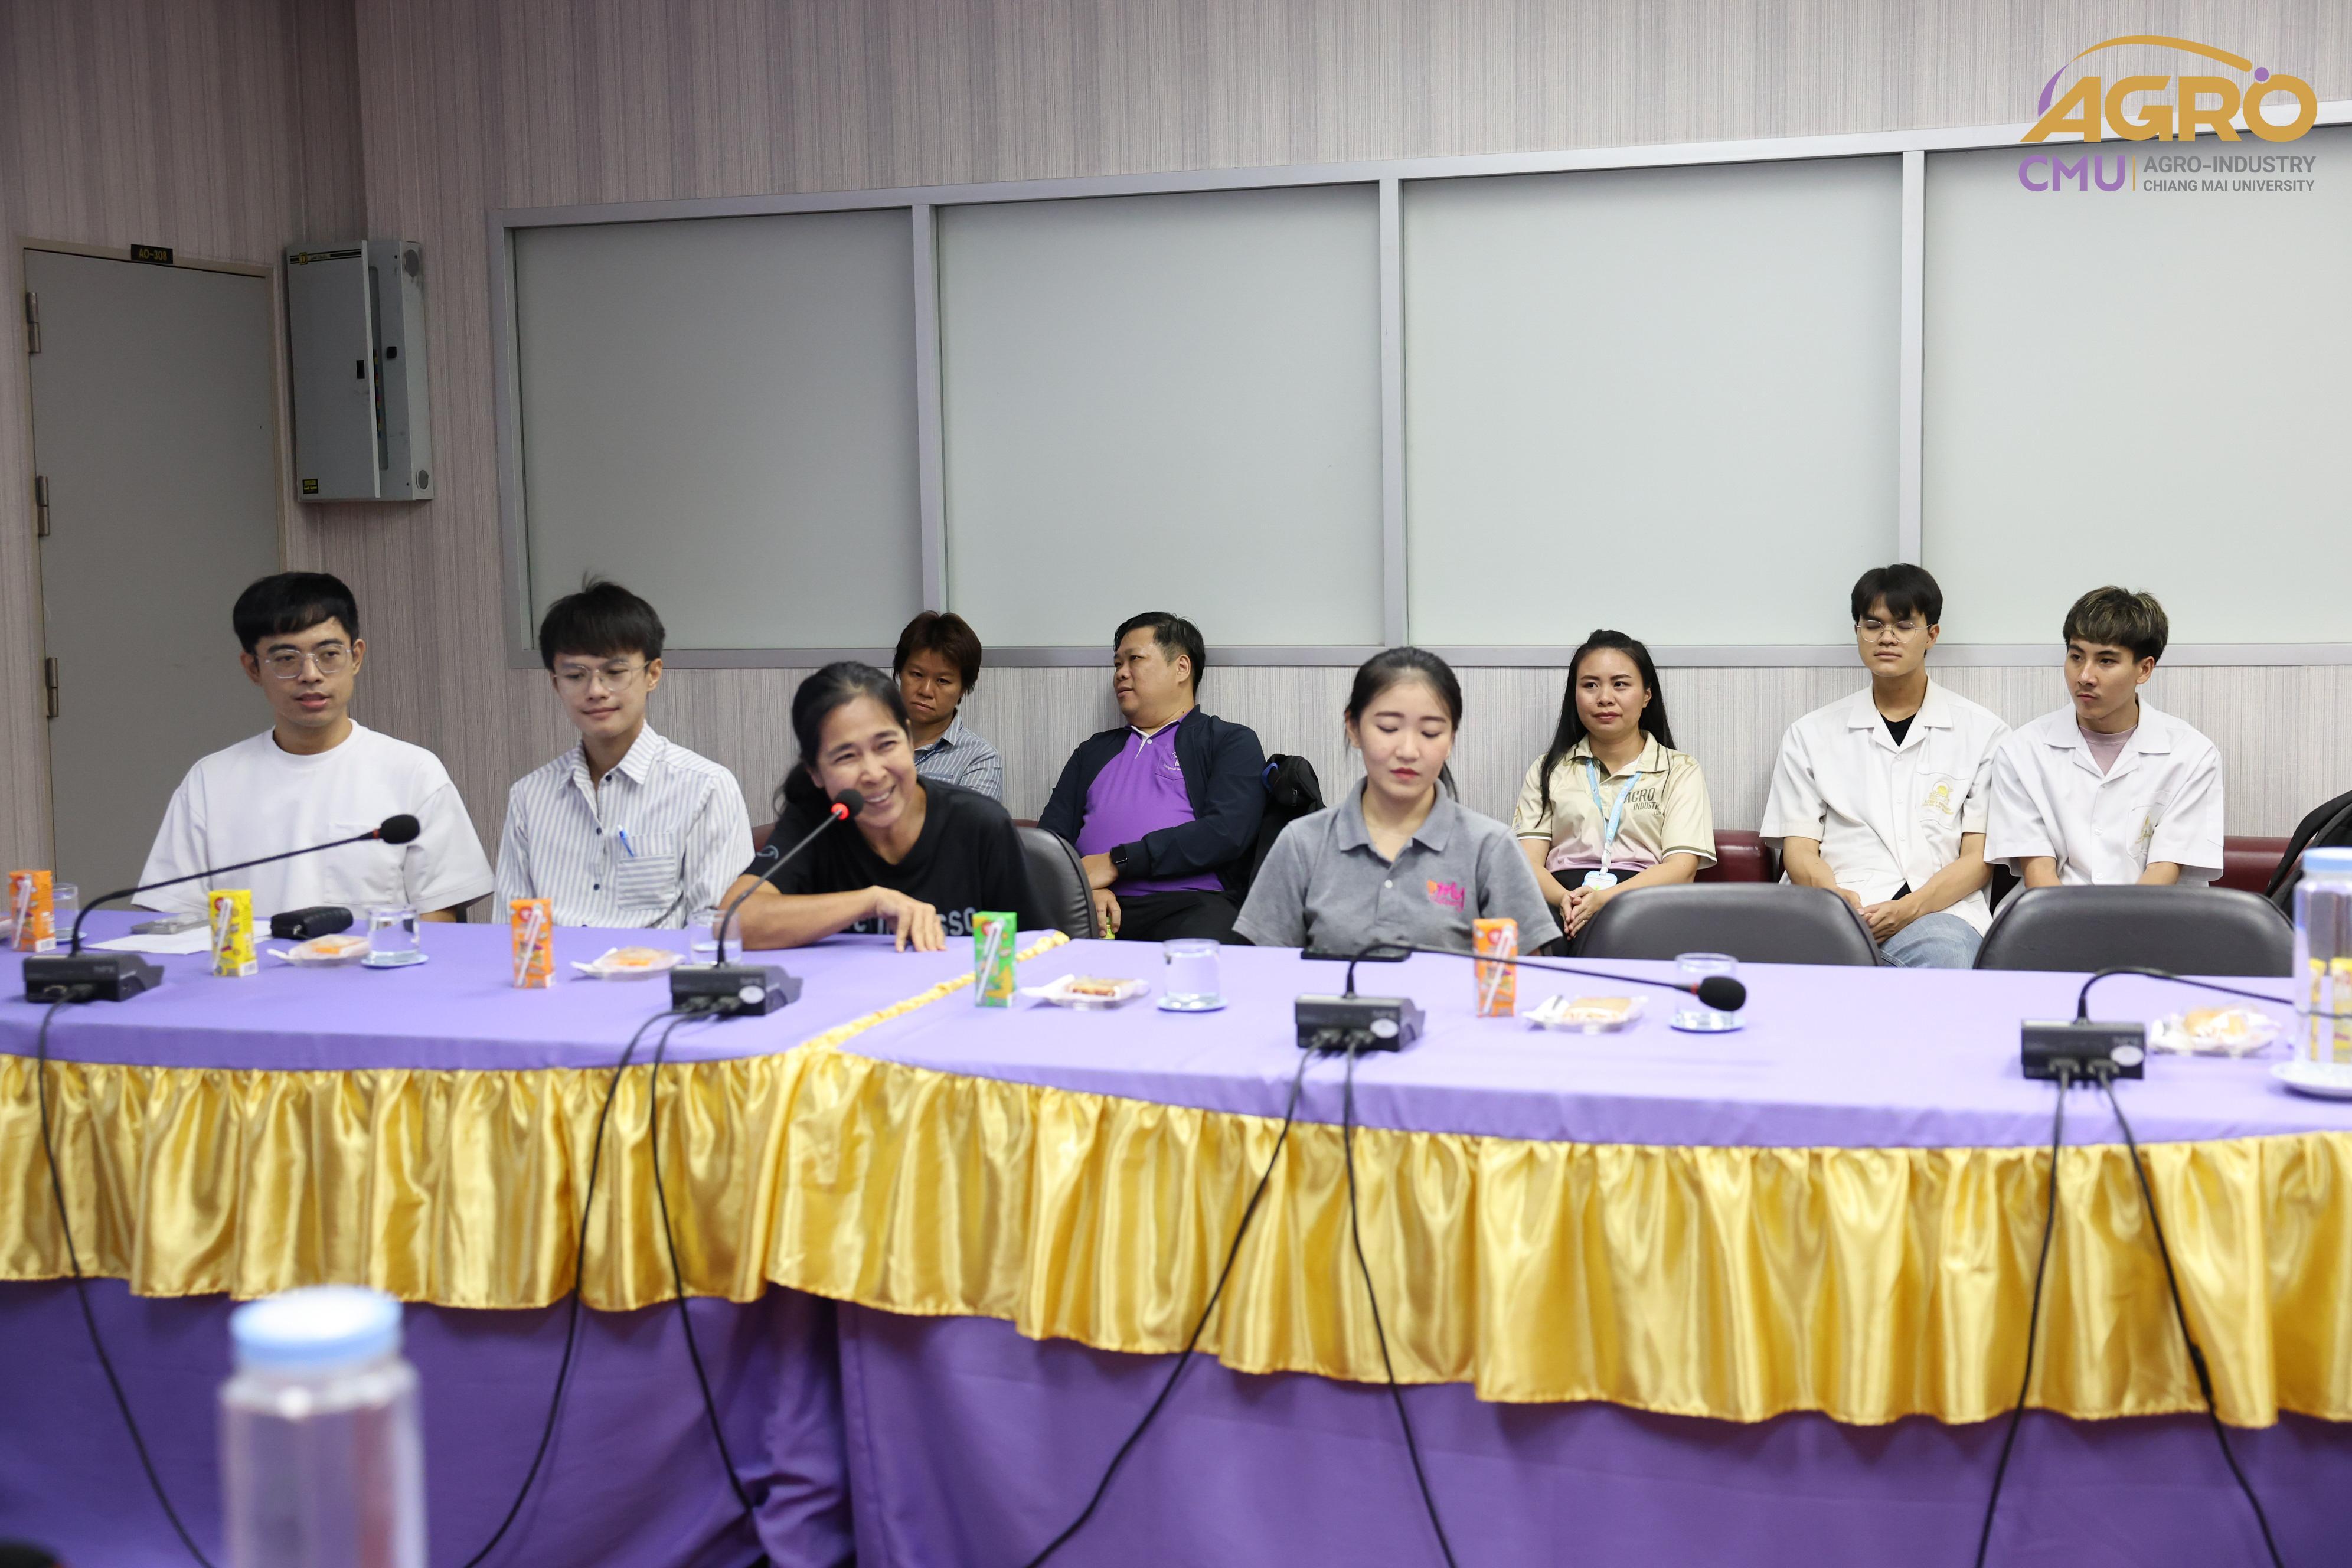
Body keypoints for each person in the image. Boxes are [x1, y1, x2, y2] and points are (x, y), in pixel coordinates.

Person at [138, 572, 492, 921]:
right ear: (253, 669)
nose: (311, 674)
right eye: (286, 659)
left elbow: (440, 914)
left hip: (376, 962)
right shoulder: (210, 781)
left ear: (356, 657)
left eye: (329, 654)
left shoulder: (412, 771)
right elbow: (175, 918)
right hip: (247, 962)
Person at [1760, 564, 2008, 968]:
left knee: (1947, 958)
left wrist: (1910, 909)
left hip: (1938, 914)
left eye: (1904, 625)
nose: (1887, 637)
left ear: (1932, 635)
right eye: (1873, 624)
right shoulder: (1810, 734)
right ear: (1857, 632)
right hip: (1835, 907)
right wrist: (1836, 900)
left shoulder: (1984, 733)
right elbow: (1799, 850)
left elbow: (1978, 859)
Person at [1238, 649, 1557, 955]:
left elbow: (1528, 973)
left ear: (1451, 739)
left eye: (1430, 732)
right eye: (1388, 728)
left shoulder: (1490, 846)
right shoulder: (1302, 843)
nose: (1408, 751)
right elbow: (1263, 971)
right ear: (1353, 728)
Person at [719, 662, 1044, 951]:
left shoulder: (979, 823)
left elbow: (1039, 949)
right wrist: (870, 901)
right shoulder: (815, 821)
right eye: (847, 756)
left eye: (886, 745)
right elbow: (732, 921)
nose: (874, 774)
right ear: (815, 772)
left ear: (909, 738)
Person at [495, 580, 753, 927]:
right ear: (556, 684)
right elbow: (511, 929)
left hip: (660, 963)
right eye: (575, 675)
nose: (596, 691)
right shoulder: (529, 796)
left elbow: (713, 928)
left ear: (653, 674)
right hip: (555, 963)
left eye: (615, 673)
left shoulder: (706, 787)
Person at [1039, 612, 1266, 942]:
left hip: (1190, 905)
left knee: (1207, 951)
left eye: (1135, 659)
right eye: (1117, 664)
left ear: (1181, 668)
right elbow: (1051, 840)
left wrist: (1117, 862)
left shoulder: (1227, 741)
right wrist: (1083, 888)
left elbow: (1225, 832)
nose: (1121, 673)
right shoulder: (1093, 751)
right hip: (1091, 905)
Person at [1986, 587, 2223, 888]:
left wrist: (2112, 922)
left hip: (2155, 913)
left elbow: (2162, 874)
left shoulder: (2192, 755)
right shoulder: (2022, 751)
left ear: (2144, 669)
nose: (2084, 676)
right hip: (2051, 912)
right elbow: (2039, 874)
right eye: (2076, 657)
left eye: (2106, 661)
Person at [1511, 630, 1716, 945]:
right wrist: (1567, 900)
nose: (1605, 697)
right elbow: (1526, 863)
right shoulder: (1548, 769)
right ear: (1575, 695)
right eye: (1590, 685)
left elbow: (1682, 869)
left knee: (1618, 937)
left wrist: (1603, 900)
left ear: (1646, 695)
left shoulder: (1679, 770)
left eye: (1620, 684)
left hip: (1641, 903)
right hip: (1559, 901)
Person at [894, 610, 1004, 801]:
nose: (926, 691)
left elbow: (968, 822)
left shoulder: (980, 759)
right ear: (900, 673)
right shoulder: (866, 742)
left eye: (943, 681)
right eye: (917, 674)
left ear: (963, 689)